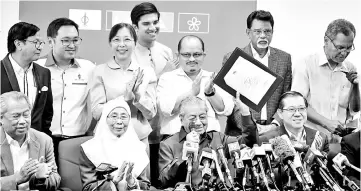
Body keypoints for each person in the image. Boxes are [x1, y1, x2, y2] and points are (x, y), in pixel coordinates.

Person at [158, 96, 258, 189]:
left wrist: (245, 113)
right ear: (181, 119)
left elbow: (249, 142)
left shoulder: (219, 138)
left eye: (202, 117)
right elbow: (163, 180)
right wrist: (186, 154)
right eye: (192, 118)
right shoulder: (168, 144)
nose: (198, 122)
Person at [222, 10, 292, 135]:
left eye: (267, 31)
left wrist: (274, 125)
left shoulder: (284, 59)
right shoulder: (233, 59)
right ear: (248, 33)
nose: (263, 35)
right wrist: (250, 124)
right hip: (240, 131)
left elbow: (285, 98)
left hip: (273, 131)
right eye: (257, 31)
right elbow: (230, 101)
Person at [35, 18, 95, 162]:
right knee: (47, 182)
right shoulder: (37, 67)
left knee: (74, 183)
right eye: (66, 40)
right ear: (51, 41)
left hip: (77, 140)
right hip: (44, 140)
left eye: (75, 40)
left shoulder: (89, 68)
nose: (72, 45)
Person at [130, 2, 177, 186]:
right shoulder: (130, 53)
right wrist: (162, 74)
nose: (153, 27)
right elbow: (135, 91)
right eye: (146, 24)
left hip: (164, 131)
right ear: (135, 27)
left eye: (155, 22)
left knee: (164, 181)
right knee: (143, 182)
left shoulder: (166, 51)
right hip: (139, 131)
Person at [90, 22, 157, 147]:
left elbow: (151, 113)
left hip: (138, 139)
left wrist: (137, 98)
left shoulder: (147, 72)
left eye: (127, 39)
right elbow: (96, 112)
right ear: (110, 43)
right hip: (107, 139)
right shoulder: (99, 71)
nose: (122, 44)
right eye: (116, 40)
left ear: (135, 43)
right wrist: (122, 101)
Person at [291, 19, 360, 139]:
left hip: (340, 142)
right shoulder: (306, 64)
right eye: (340, 47)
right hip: (311, 139)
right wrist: (326, 123)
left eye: (349, 48)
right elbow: (298, 104)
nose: (344, 53)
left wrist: (355, 87)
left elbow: (355, 110)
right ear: (326, 40)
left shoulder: (350, 68)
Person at [157, 35, 234, 137]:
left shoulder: (213, 78)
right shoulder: (167, 78)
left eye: (197, 54)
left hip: (210, 139)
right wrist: (191, 93)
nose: (192, 59)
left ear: (204, 55)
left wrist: (210, 93)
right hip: (174, 140)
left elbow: (226, 110)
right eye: (186, 55)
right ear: (178, 55)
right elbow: (165, 109)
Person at [80, 98, 150, 191]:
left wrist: (132, 183)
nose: (119, 121)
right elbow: (88, 187)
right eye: (114, 116)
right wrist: (113, 183)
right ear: (105, 118)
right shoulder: (90, 149)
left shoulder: (139, 148)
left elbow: (146, 185)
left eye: (124, 117)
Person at [0, 91, 60, 191]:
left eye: (26, 115)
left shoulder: (44, 140)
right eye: (16, 116)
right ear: (1, 118)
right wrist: (17, 178)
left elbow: (56, 180)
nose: (23, 121)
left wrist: (39, 178)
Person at [1, 22, 53, 136]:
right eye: (36, 42)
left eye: (41, 43)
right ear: (18, 44)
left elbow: (47, 113)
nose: (40, 47)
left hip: (35, 143)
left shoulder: (44, 73)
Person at [260, 91, 329, 153]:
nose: (297, 114)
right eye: (291, 109)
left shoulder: (320, 137)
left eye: (301, 108)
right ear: (280, 113)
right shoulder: (267, 139)